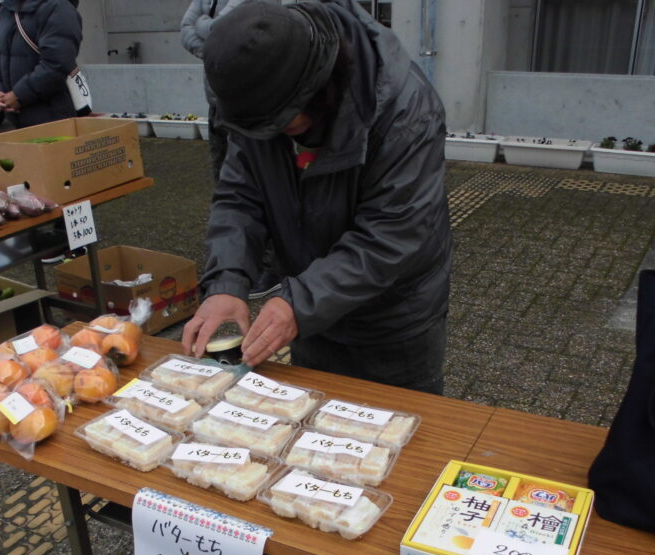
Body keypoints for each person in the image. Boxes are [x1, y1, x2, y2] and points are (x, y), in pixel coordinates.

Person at [181, 0, 452, 395]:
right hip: (312, 316)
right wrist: (226, 281)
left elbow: (391, 235)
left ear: (321, 89)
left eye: (286, 126)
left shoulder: (406, 111)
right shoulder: (256, 103)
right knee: (308, 417)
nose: (276, 136)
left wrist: (298, 303)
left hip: (394, 320)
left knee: (408, 425)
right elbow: (239, 195)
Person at [180, 0, 282, 299]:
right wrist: (218, 45)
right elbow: (187, 30)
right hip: (217, 104)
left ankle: (270, 266)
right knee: (227, 187)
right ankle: (232, 265)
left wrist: (211, 34)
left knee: (260, 186)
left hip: (251, 103)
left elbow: (222, 31)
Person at [0, 0, 83, 130]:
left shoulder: (59, 9)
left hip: (52, 117)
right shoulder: (6, 10)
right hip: (15, 119)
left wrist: (18, 95)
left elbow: (57, 64)